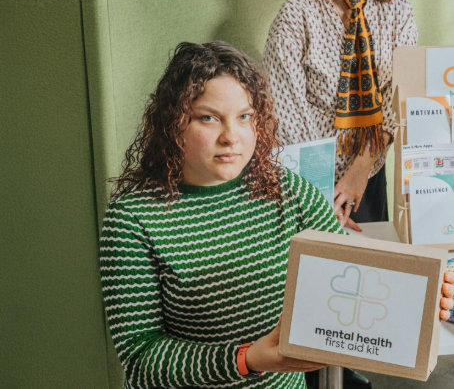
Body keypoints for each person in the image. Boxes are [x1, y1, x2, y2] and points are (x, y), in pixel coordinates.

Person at [100, 41, 454, 389]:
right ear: (173, 123)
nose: (231, 137)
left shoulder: (286, 189)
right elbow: (140, 357)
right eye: (208, 118)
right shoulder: (132, 218)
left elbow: (354, 276)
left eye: (244, 117)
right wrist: (247, 359)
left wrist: (423, 294)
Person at [263, 0, 416, 231]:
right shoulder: (296, 16)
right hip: (305, 184)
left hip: (369, 176)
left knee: (373, 274)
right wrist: (321, 200)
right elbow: (287, 117)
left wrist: (360, 171)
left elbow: (398, 97)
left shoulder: (398, 10)